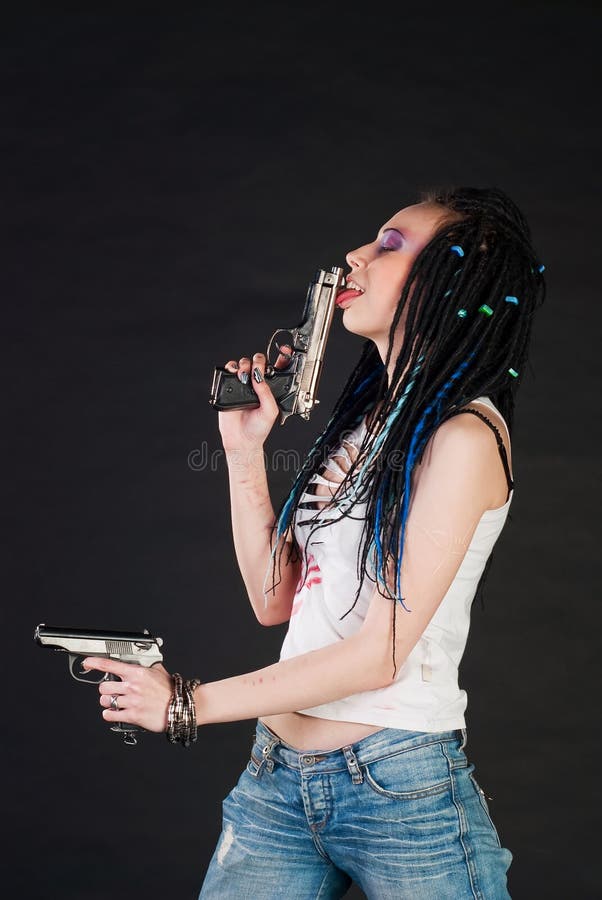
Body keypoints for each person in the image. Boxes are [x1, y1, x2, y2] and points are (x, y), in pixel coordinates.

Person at [83, 186, 546, 899]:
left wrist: (187, 702)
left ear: (454, 279)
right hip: (277, 780)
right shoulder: (363, 427)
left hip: (398, 787)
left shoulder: (464, 438)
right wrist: (244, 453)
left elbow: (379, 653)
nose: (356, 254)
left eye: (390, 244)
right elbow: (275, 601)